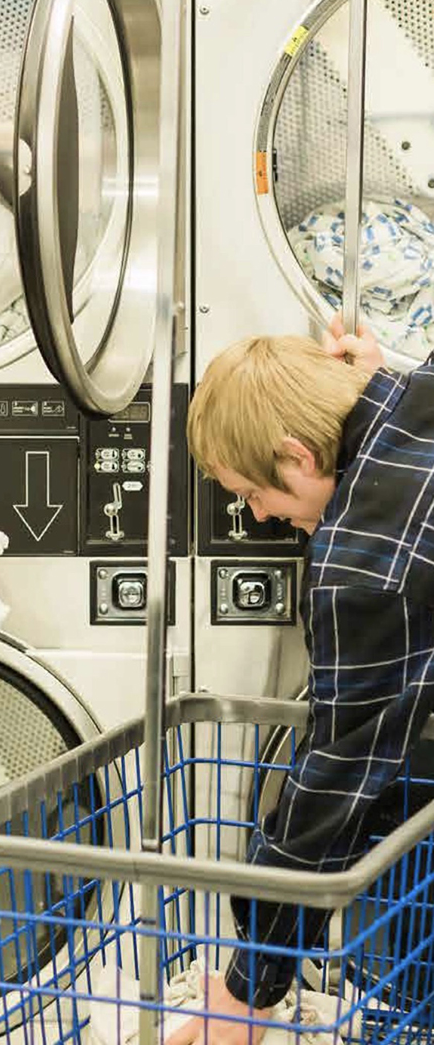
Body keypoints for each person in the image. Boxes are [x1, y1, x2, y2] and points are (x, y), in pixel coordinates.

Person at [170, 315, 434, 1045]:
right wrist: (375, 381)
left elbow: (330, 787)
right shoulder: (419, 389)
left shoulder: (364, 570)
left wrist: (248, 992)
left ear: (298, 452)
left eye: (257, 494)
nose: (261, 516)